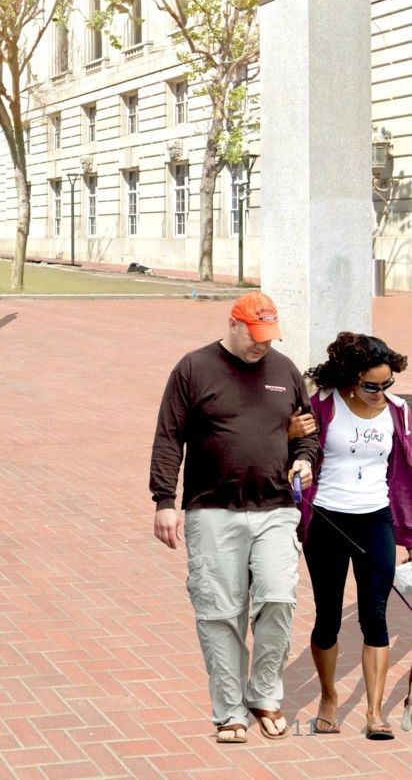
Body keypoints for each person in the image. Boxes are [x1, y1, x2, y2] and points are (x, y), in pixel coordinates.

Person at [150, 291, 319, 744]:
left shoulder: (284, 371)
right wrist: (164, 500)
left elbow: (306, 431)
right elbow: (169, 437)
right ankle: (230, 711)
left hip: (276, 508)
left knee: (279, 600)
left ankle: (264, 693)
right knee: (220, 614)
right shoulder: (193, 368)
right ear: (233, 323)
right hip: (212, 509)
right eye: (255, 335)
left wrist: (303, 457)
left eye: (269, 336)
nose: (262, 344)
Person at [298, 332, 412, 739]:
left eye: (387, 384)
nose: (381, 393)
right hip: (328, 520)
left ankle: (374, 711)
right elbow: (296, 448)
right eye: (371, 386)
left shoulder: (398, 412)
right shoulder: (322, 404)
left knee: (374, 616)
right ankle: (329, 698)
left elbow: (406, 474)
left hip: (374, 521)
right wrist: (294, 437)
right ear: (350, 379)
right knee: (327, 616)